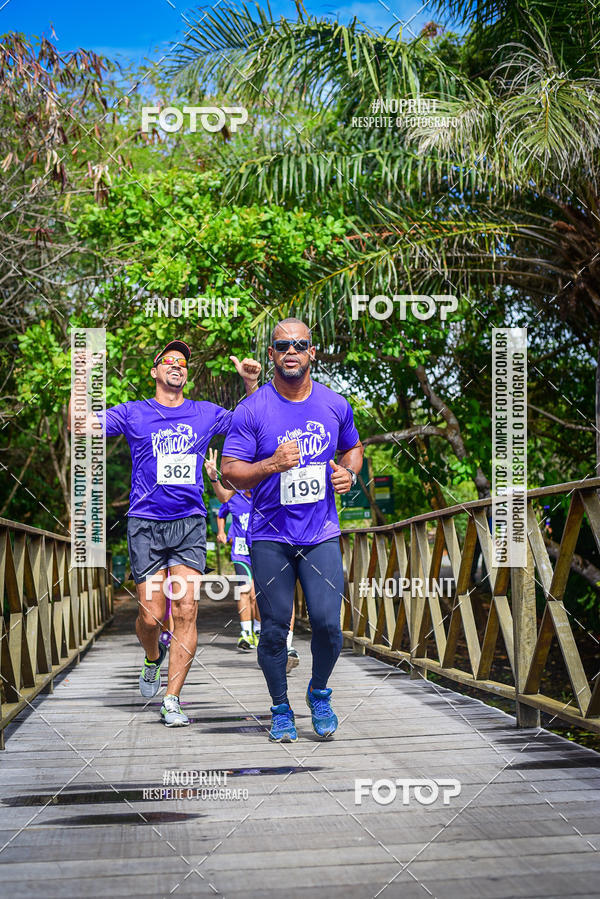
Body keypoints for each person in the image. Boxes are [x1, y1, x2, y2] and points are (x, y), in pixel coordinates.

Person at [69, 340, 260, 727]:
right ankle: (152, 656)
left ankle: (172, 700)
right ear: (155, 372)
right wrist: (83, 374)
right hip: (146, 525)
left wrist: (251, 385)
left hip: (189, 523)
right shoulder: (135, 413)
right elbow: (80, 424)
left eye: (183, 363)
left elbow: (253, 422)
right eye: (168, 361)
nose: (177, 365)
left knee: (187, 609)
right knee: (152, 617)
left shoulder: (205, 413)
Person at [221, 318, 363, 742]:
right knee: (275, 627)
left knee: (327, 624)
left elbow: (353, 447)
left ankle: (319, 692)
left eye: (300, 345)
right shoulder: (253, 410)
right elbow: (230, 472)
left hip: (320, 533)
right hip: (269, 536)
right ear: (272, 355)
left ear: (312, 353)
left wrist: (349, 474)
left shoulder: (335, 405)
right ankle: (280, 708)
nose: (291, 352)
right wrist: (271, 465)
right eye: (282, 345)